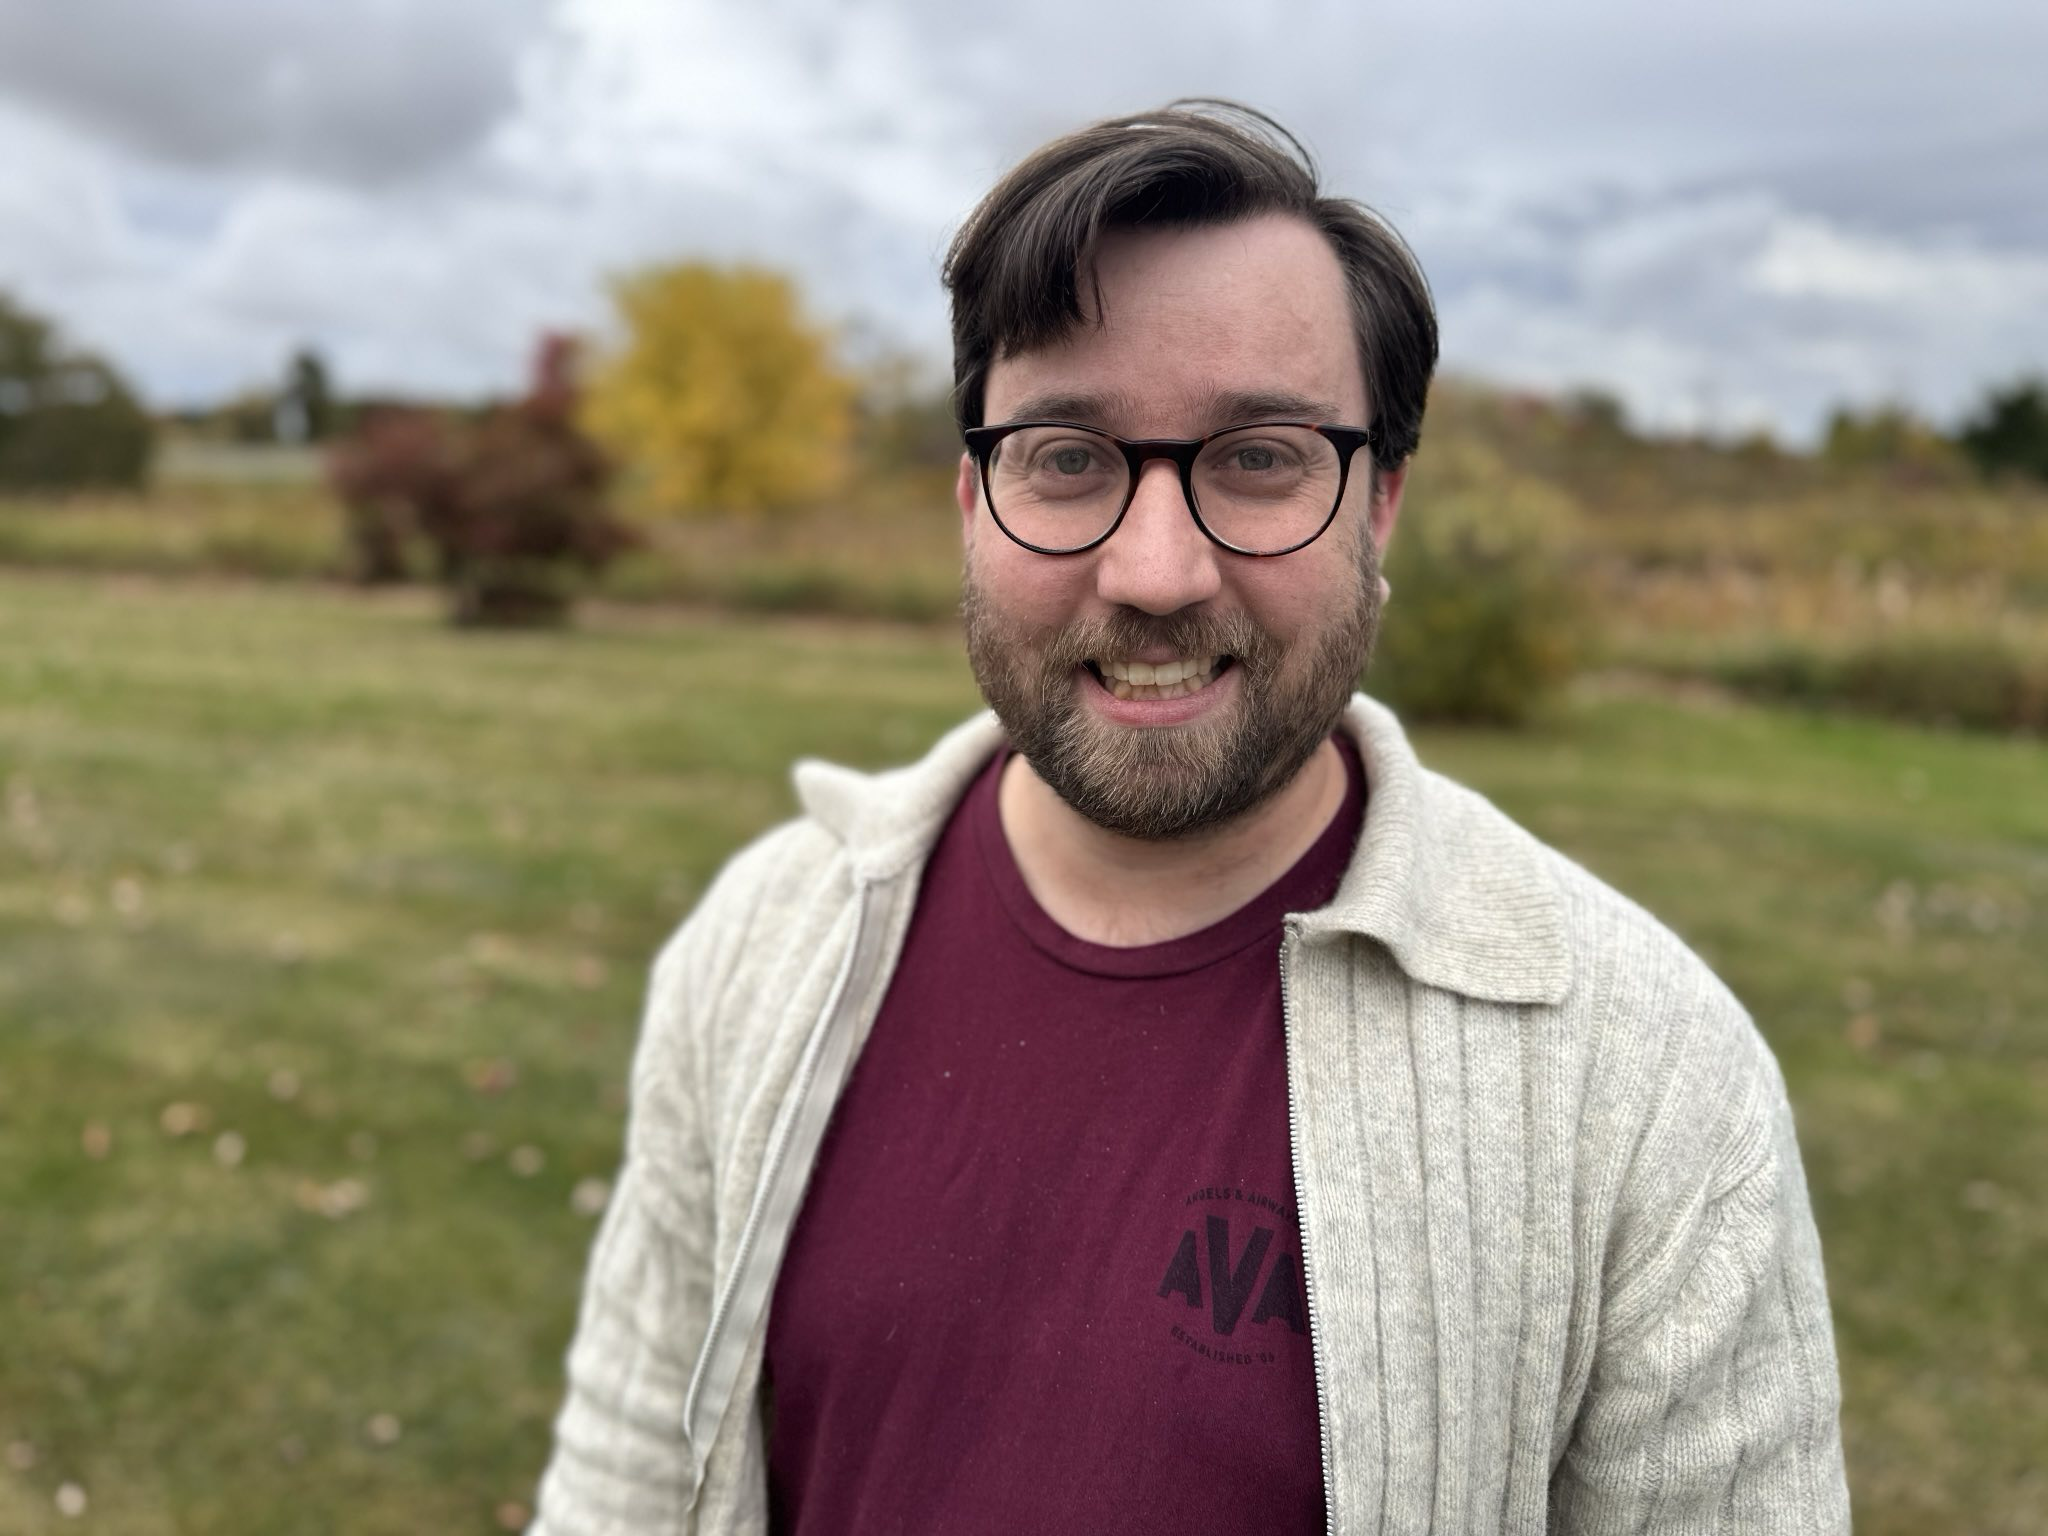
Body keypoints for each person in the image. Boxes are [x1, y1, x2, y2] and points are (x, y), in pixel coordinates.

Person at [532, 102, 1850, 1534]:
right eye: (1067, 457)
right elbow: (626, 1489)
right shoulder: (766, 944)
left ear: (1381, 505)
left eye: (1259, 457)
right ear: (973, 499)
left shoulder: (1645, 1079)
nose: (1155, 572)